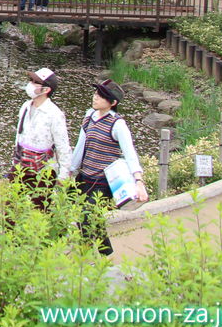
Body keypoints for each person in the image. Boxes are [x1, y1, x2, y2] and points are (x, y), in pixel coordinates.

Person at [68, 79, 149, 255]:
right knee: (87, 217)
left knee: (88, 215)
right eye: (96, 93)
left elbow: (130, 153)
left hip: (103, 181)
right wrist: (70, 171)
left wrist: (138, 180)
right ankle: (105, 253)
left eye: (101, 96)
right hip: (85, 177)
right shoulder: (89, 117)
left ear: (112, 103)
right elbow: (81, 146)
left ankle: (87, 257)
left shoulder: (117, 124)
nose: (95, 97)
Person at [9, 68, 71, 210]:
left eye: (36, 82)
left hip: (43, 170)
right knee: (9, 207)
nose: (31, 84)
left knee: (39, 210)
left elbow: (63, 145)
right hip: (21, 164)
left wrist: (63, 174)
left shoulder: (55, 114)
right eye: (31, 80)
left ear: (46, 89)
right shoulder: (25, 106)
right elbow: (19, 134)